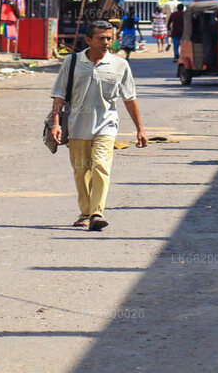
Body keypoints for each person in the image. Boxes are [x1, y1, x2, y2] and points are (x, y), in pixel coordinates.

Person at [49, 21, 147, 231]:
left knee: (101, 165)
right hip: (77, 126)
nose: (106, 42)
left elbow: (130, 98)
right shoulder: (72, 62)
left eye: (109, 38)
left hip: (106, 125)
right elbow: (59, 95)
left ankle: (97, 213)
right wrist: (55, 124)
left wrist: (140, 128)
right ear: (88, 40)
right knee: (81, 172)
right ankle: (85, 213)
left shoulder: (120, 65)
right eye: (101, 38)